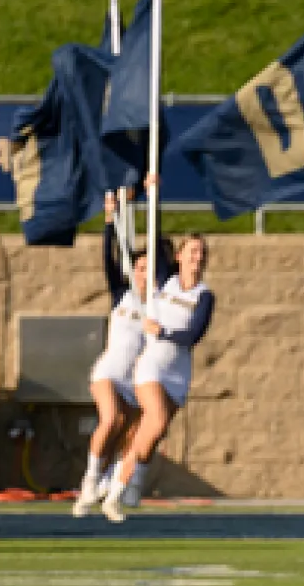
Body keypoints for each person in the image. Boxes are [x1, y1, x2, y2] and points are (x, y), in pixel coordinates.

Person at [73, 188, 175, 518]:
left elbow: (165, 255)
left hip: (136, 379)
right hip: (109, 370)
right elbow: (110, 256)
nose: (143, 273)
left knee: (131, 435)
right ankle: (89, 479)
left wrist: (153, 195)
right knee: (111, 419)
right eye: (139, 267)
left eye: (149, 268)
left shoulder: (160, 302)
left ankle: (108, 487)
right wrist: (110, 218)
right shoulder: (123, 294)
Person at [102, 232, 213, 523]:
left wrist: (162, 331)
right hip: (151, 367)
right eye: (191, 252)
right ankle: (118, 492)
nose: (196, 258)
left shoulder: (204, 296)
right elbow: (155, 229)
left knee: (151, 434)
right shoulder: (164, 281)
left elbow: (192, 336)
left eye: (201, 253)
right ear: (178, 257)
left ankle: (124, 480)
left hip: (178, 374)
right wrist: (153, 189)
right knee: (157, 419)